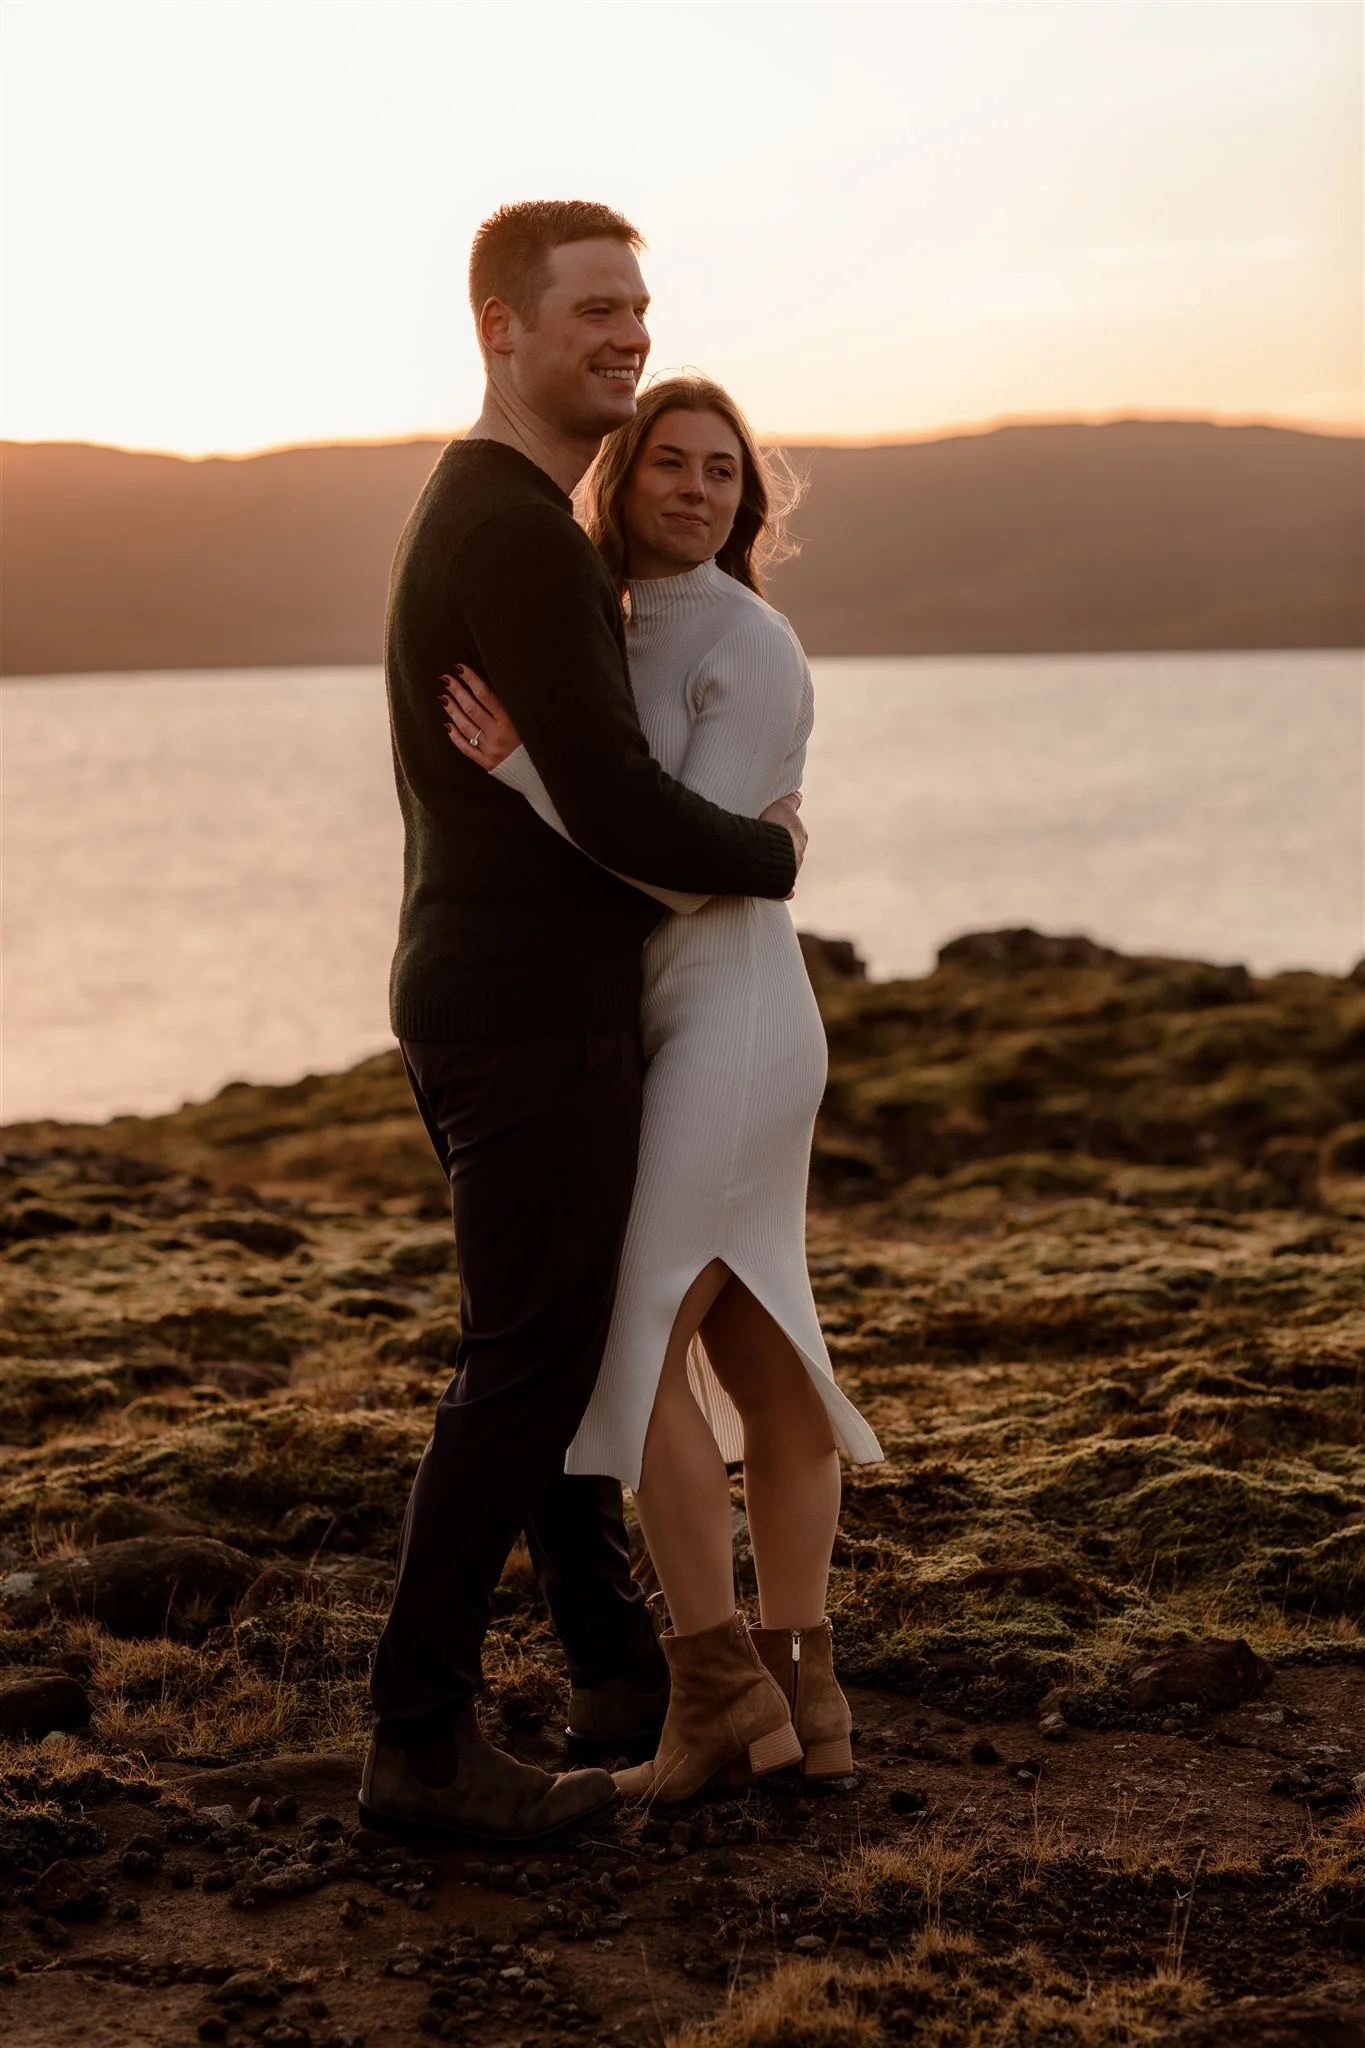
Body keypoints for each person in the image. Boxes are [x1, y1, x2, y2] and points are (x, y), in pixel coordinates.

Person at [362, 202, 807, 1849]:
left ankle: (627, 1676)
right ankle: (415, 1744)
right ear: (502, 326)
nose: (626, 332)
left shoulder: (485, 511)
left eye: (640, 307)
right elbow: (620, 806)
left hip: (486, 993)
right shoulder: (519, 530)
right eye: (594, 310)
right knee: (526, 1362)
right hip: (527, 1011)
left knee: (546, 1353)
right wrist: (772, 854)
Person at [440, 375, 883, 1807]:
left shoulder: (751, 644)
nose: (697, 489)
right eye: (672, 464)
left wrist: (520, 778)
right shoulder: (614, 622)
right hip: (682, 1012)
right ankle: (805, 1693)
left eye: (723, 472)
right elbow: (656, 829)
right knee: (757, 1350)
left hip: (736, 1017)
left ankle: (711, 1688)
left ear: (748, 502)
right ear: (623, 474)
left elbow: (685, 860)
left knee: (640, 1342)